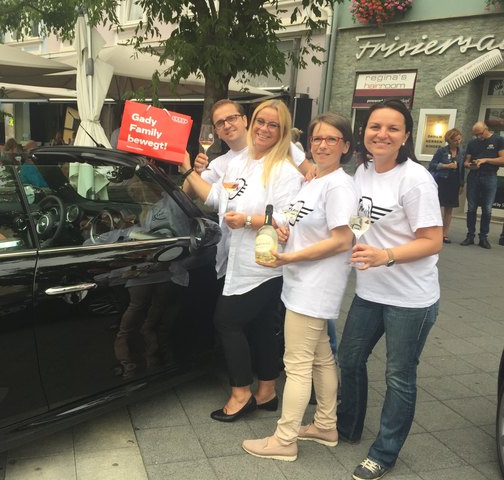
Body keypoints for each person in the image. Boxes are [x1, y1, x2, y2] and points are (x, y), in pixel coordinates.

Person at [336, 99, 443, 480]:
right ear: (363, 132)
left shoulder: (415, 179)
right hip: (370, 291)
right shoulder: (363, 170)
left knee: (399, 375)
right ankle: (347, 427)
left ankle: (384, 451)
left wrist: (388, 255)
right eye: (374, 126)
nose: (382, 134)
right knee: (349, 359)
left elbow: (432, 240)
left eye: (392, 128)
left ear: (406, 136)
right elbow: (360, 223)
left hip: (411, 299)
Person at [180, 99, 305, 422]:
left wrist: (249, 220)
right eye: (261, 122)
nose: (264, 129)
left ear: (282, 131)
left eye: (273, 125)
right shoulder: (238, 163)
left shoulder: (285, 170)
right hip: (236, 258)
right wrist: (185, 170)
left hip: (262, 263)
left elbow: (288, 218)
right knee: (263, 325)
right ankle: (267, 390)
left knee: (227, 321)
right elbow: (215, 198)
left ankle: (240, 393)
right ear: (253, 122)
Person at [242, 112, 356, 462]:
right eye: (317, 138)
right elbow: (298, 222)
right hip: (300, 283)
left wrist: (291, 258)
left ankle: (285, 438)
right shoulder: (314, 180)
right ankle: (325, 424)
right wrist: (284, 231)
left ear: (345, 146)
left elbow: (343, 239)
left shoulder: (338, 185)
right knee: (321, 358)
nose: (322, 144)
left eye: (331, 139)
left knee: (296, 364)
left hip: (315, 285)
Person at [460, 122, 504, 249]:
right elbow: (466, 161)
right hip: (474, 176)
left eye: (480, 133)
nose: (478, 136)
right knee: (471, 207)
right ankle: (470, 235)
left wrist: (485, 160)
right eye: (476, 134)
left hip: (490, 175)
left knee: (487, 208)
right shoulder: (472, 143)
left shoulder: (498, 140)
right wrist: (468, 164)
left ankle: (483, 237)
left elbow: (502, 159)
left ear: (486, 129)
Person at [428, 128, 465, 244]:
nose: (458, 142)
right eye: (455, 140)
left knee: (449, 209)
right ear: (450, 140)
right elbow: (432, 165)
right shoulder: (442, 151)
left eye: (459, 139)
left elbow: (462, 169)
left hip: (454, 182)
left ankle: (444, 233)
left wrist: (461, 184)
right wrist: (445, 166)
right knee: (436, 207)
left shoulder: (462, 152)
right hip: (442, 181)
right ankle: (433, 232)